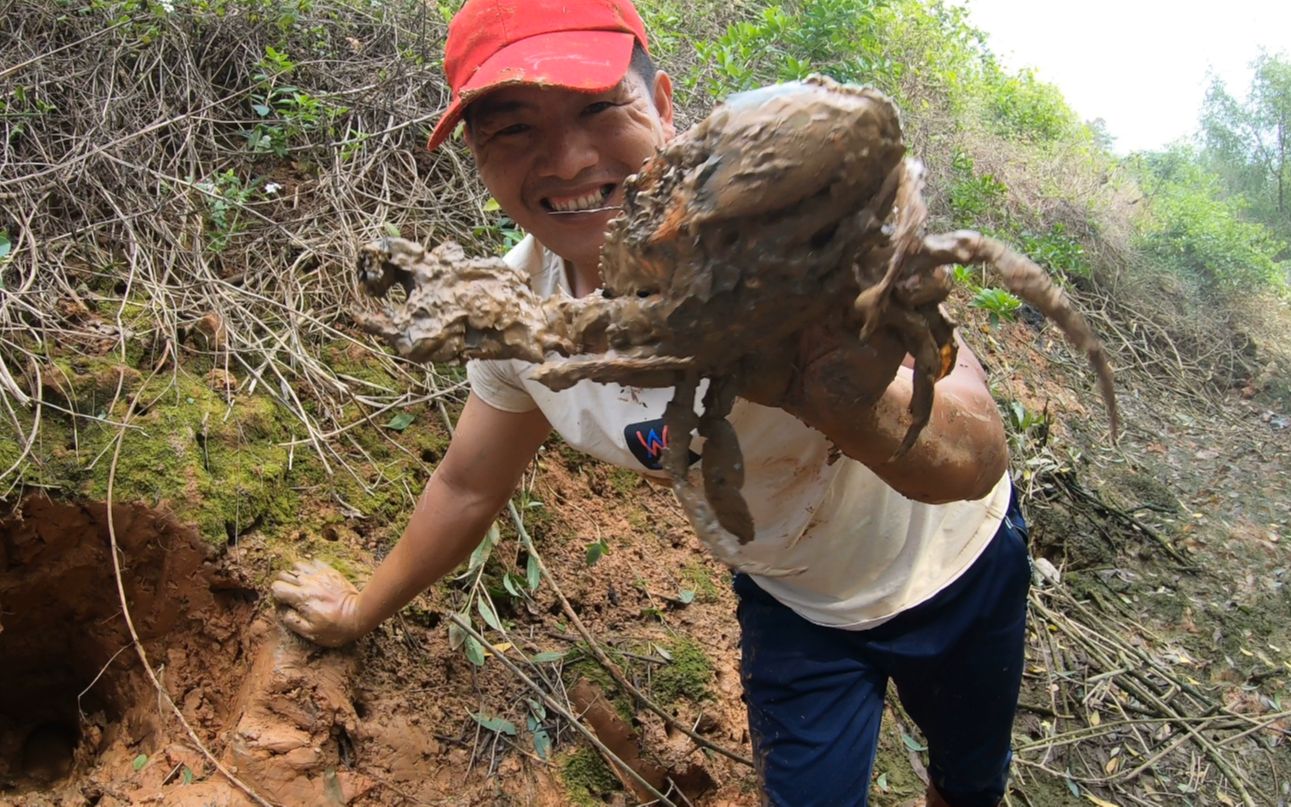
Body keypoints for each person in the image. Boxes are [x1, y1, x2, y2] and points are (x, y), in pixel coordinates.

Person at [270, 1, 1032, 805]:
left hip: (958, 566)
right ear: (476, 157)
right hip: (796, 601)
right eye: (513, 128)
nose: (564, 160)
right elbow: (466, 486)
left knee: (966, 781)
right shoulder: (524, 318)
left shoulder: (785, 222)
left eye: (599, 106)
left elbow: (975, 455)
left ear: (664, 106)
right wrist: (357, 610)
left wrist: (838, 393)